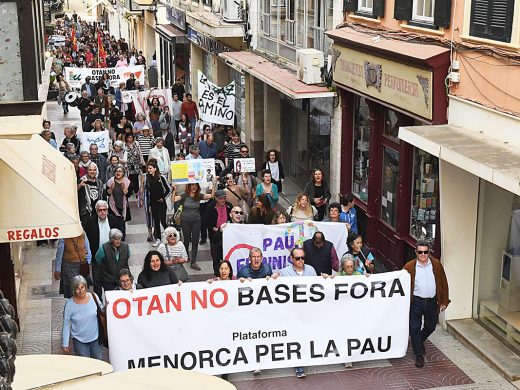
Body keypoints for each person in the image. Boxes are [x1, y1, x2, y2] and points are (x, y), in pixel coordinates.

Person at [403, 240, 450, 368]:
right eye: (420, 252)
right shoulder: (409, 267)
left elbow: (443, 283)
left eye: (425, 252)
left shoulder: (436, 265)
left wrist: (444, 301)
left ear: (429, 252)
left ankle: (418, 341)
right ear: (416, 252)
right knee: (414, 328)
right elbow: (401, 283)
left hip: (431, 301)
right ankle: (419, 354)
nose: (423, 254)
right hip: (416, 302)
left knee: (431, 326)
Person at [277, 246, 317, 378]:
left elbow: (318, 288)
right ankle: (299, 365)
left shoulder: (311, 270)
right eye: (298, 258)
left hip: (308, 311)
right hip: (292, 313)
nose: (301, 260)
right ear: (291, 259)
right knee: (296, 338)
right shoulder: (284, 272)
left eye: (303, 258)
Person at [172, 181, 216, 270]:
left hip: (196, 220)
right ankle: (186, 256)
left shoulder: (199, 195)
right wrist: (174, 190)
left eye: (195, 185)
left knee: (195, 241)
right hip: (185, 221)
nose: (194, 187)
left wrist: (214, 184)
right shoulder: (184, 195)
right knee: (186, 240)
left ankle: (193, 262)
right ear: (189, 186)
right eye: (192, 185)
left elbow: (212, 196)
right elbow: (173, 200)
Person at [62, 275, 103, 360]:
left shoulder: (94, 297)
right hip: (79, 339)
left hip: (95, 337)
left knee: (98, 362)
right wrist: (65, 343)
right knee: (84, 364)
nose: (80, 291)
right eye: (77, 288)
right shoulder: (69, 305)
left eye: (82, 287)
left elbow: (102, 310)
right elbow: (66, 325)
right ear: (73, 290)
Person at [93, 228, 130, 297]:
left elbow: (126, 262)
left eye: (119, 238)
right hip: (108, 280)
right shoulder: (103, 248)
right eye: (116, 239)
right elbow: (97, 262)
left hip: (121, 279)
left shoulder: (126, 247)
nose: (118, 241)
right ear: (111, 239)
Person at [53, 233, 92, 298]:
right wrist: (57, 269)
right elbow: (59, 255)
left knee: (82, 288)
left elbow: (88, 250)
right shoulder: (64, 238)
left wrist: (88, 262)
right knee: (71, 291)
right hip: (69, 268)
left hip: (82, 266)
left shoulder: (83, 235)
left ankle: (81, 304)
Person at [143, 159, 171, 247]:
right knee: (156, 222)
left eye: (150, 168)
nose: (149, 170)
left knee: (163, 221)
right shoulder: (147, 179)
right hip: (153, 203)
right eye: (148, 168)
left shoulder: (161, 177)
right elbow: (147, 191)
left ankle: (170, 235)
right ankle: (158, 238)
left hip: (161, 203)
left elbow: (168, 189)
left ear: (155, 168)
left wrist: (163, 198)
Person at [206, 190, 232, 276]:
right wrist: (216, 229)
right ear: (216, 198)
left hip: (227, 235)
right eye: (220, 199)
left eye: (224, 198)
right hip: (215, 235)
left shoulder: (229, 206)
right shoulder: (210, 207)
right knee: (216, 256)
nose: (223, 200)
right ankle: (217, 274)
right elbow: (207, 222)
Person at [106, 164, 131, 237]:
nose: (118, 172)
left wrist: (124, 190)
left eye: (120, 171)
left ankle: (121, 240)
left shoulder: (127, 182)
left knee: (121, 225)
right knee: (113, 225)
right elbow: (107, 193)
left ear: (123, 172)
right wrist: (111, 188)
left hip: (123, 206)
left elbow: (128, 195)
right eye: (116, 171)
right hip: (112, 206)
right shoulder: (111, 181)